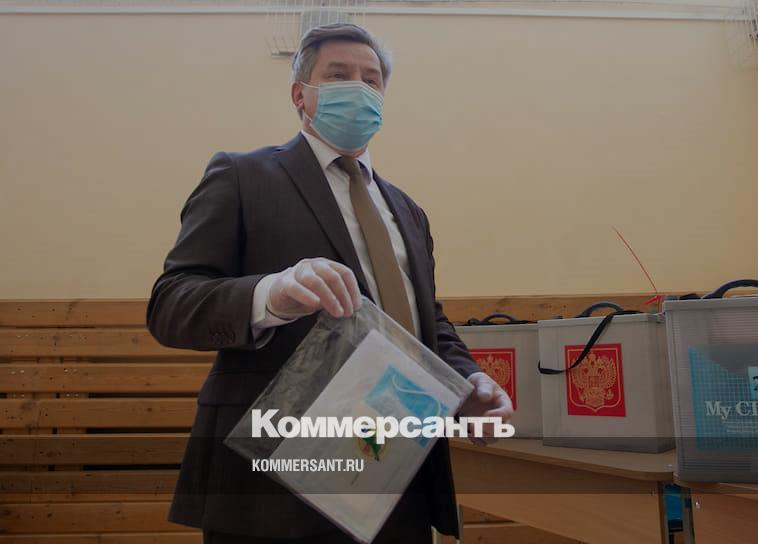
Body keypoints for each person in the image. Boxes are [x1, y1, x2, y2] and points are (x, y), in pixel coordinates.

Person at [146, 23, 513, 544]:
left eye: (371, 79)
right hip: (275, 482)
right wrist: (271, 295)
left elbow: (424, 318)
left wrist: (467, 379)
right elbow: (171, 303)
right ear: (301, 95)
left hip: (394, 467)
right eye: (339, 76)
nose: (359, 88)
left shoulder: (407, 210)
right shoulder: (241, 176)